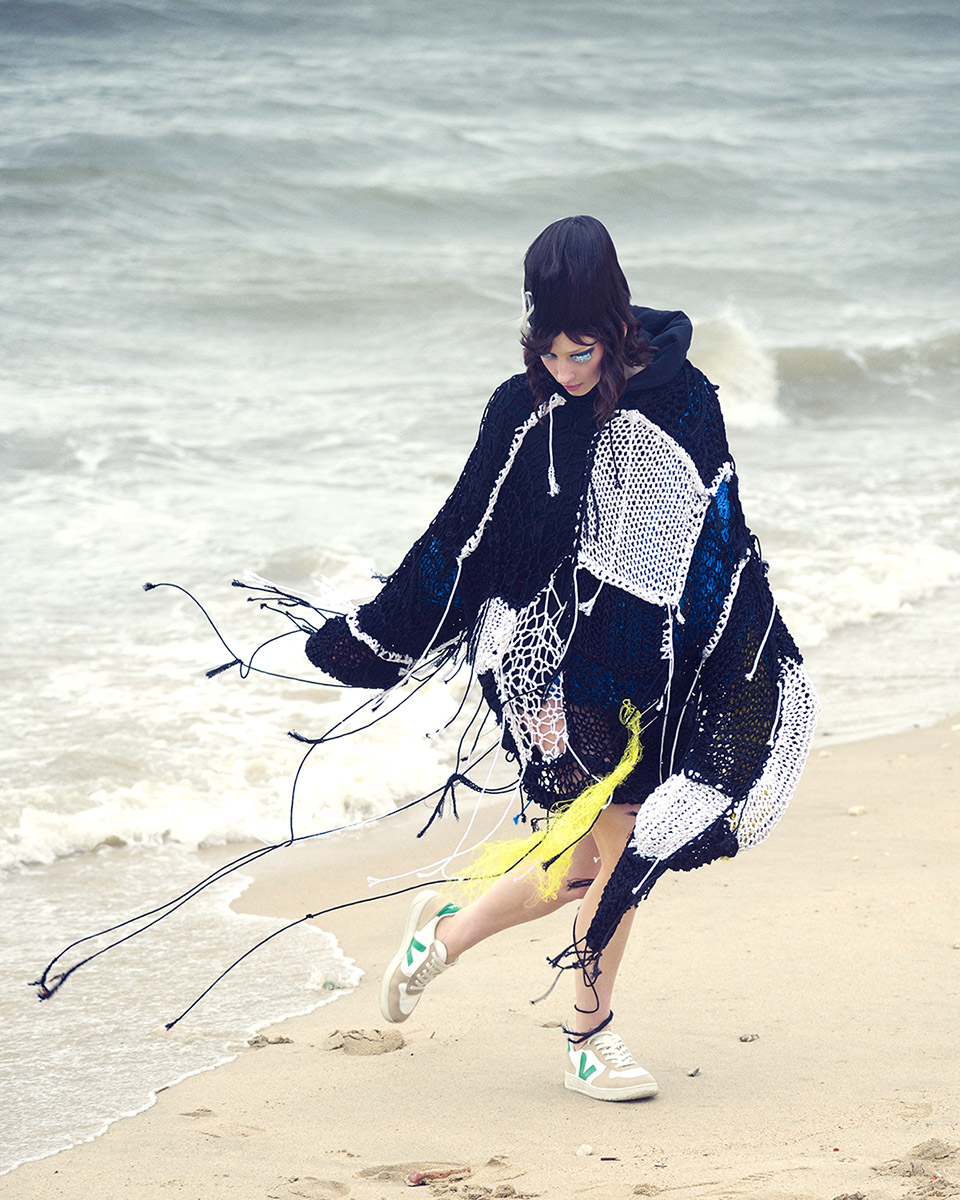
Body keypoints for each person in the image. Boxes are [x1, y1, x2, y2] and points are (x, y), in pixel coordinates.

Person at [302, 215, 819, 1101]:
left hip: (653, 670)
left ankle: (444, 934)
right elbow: (461, 536)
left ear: (614, 324)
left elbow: (718, 536)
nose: (564, 370)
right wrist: (373, 635)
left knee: (584, 864)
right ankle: (588, 1037)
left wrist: (743, 648)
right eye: (547, 351)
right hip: (555, 672)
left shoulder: (684, 399)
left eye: (581, 352)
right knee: (624, 847)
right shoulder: (523, 410)